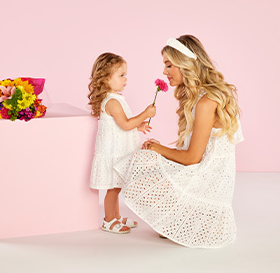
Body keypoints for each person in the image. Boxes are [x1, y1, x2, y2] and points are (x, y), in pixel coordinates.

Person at [114, 35, 244, 247]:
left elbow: (193, 158)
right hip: (204, 172)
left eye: (168, 65)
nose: (164, 72)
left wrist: (159, 149)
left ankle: (191, 218)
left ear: (186, 64)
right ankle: (181, 217)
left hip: (209, 181)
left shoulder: (206, 101)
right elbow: (196, 150)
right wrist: (159, 149)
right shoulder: (199, 97)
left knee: (142, 160)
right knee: (148, 158)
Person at [88, 52, 156, 234]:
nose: (126, 79)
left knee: (116, 187)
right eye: (121, 75)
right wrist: (145, 114)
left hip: (119, 151)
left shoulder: (115, 99)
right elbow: (125, 124)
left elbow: (124, 124)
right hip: (113, 153)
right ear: (105, 78)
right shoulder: (111, 102)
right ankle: (109, 220)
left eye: (126, 75)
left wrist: (138, 126)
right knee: (113, 189)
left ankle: (116, 217)